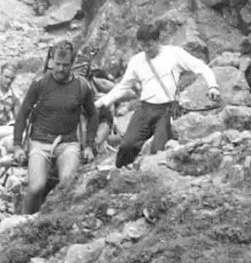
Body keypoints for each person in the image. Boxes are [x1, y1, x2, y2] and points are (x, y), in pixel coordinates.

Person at [95, 23, 221, 168]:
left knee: (158, 148)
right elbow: (123, 86)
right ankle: (121, 174)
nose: (147, 50)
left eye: (149, 45)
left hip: (166, 109)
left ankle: (154, 177)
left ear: (157, 40)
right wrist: (101, 103)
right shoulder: (136, 61)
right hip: (145, 108)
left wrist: (213, 86)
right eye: (143, 46)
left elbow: (201, 67)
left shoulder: (174, 54)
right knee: (127, 146)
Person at [13, 41, 98, 214]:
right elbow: (23, 113)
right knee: (36, 188)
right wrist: (16, 145)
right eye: (57, 64)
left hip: (68, 143)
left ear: (72, 64)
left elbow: (93, 114)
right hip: (40, 141)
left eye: (65, 65)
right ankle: (26, 222)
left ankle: (60, 222)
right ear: (51, 61)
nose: (60, 69)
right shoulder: (40, 83)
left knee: (67, 188)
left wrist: (89, 145)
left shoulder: (81, 86)